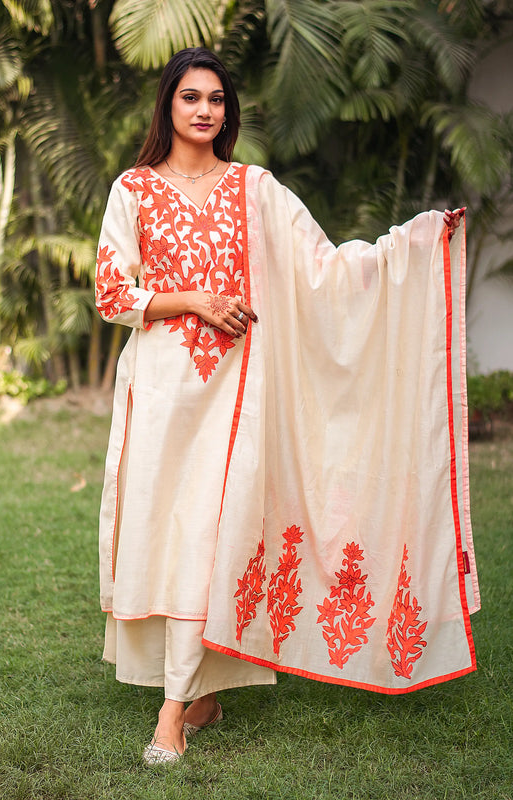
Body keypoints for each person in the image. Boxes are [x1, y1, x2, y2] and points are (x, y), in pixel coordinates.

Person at [95, 47, 477, 766]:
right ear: (168, 104)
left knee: (208, 535)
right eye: (190, 97)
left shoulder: (255, 188)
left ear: (228, 111)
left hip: (238, 397)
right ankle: (202, 692)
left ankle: (172, 710)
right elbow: (114, 294)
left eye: (216, 99)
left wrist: (415, 243)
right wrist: (196, 299)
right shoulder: (134, 189)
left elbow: (325, 268)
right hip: (161, 394)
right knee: (168, 535)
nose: (204, 110)